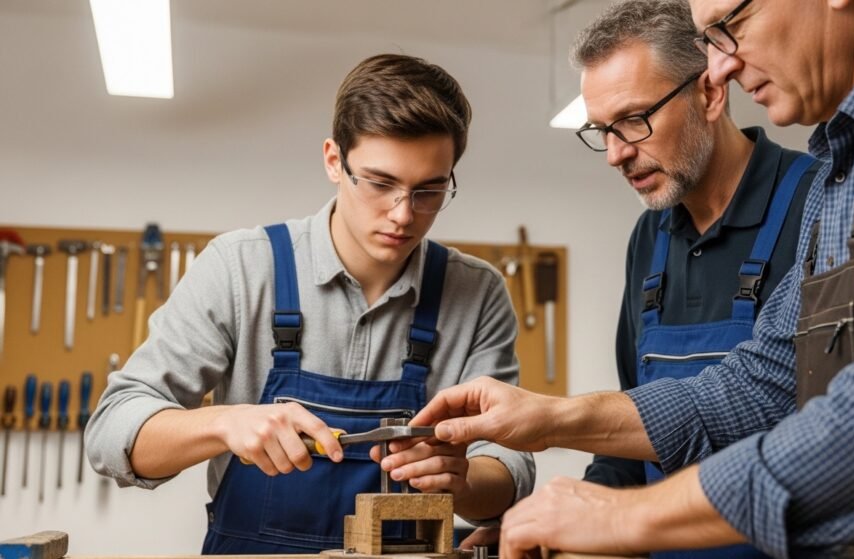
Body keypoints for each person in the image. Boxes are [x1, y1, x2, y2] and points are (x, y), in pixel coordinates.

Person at [399, 0, 854, 557]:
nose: (720, 66)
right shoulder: (844, 169)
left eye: (730, 25)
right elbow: (761, 384)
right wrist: (552, 417)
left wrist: (625, 518)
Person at [86, 53, 534, 555]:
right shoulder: (239, 267)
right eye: (381, 184)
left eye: (428, 190)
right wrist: (224, 423)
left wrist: (464, 480)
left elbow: (511, 466)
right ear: (333, 160)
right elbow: (111, 432)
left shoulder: (478, 294)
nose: (403, 215)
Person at [570, 1, 817, 557]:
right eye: (602, 130)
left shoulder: (819, 206)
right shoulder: (648, 236)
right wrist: (574, 521)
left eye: (634, 120)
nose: (615, 154)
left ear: (709, 93)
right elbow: (630, 435)